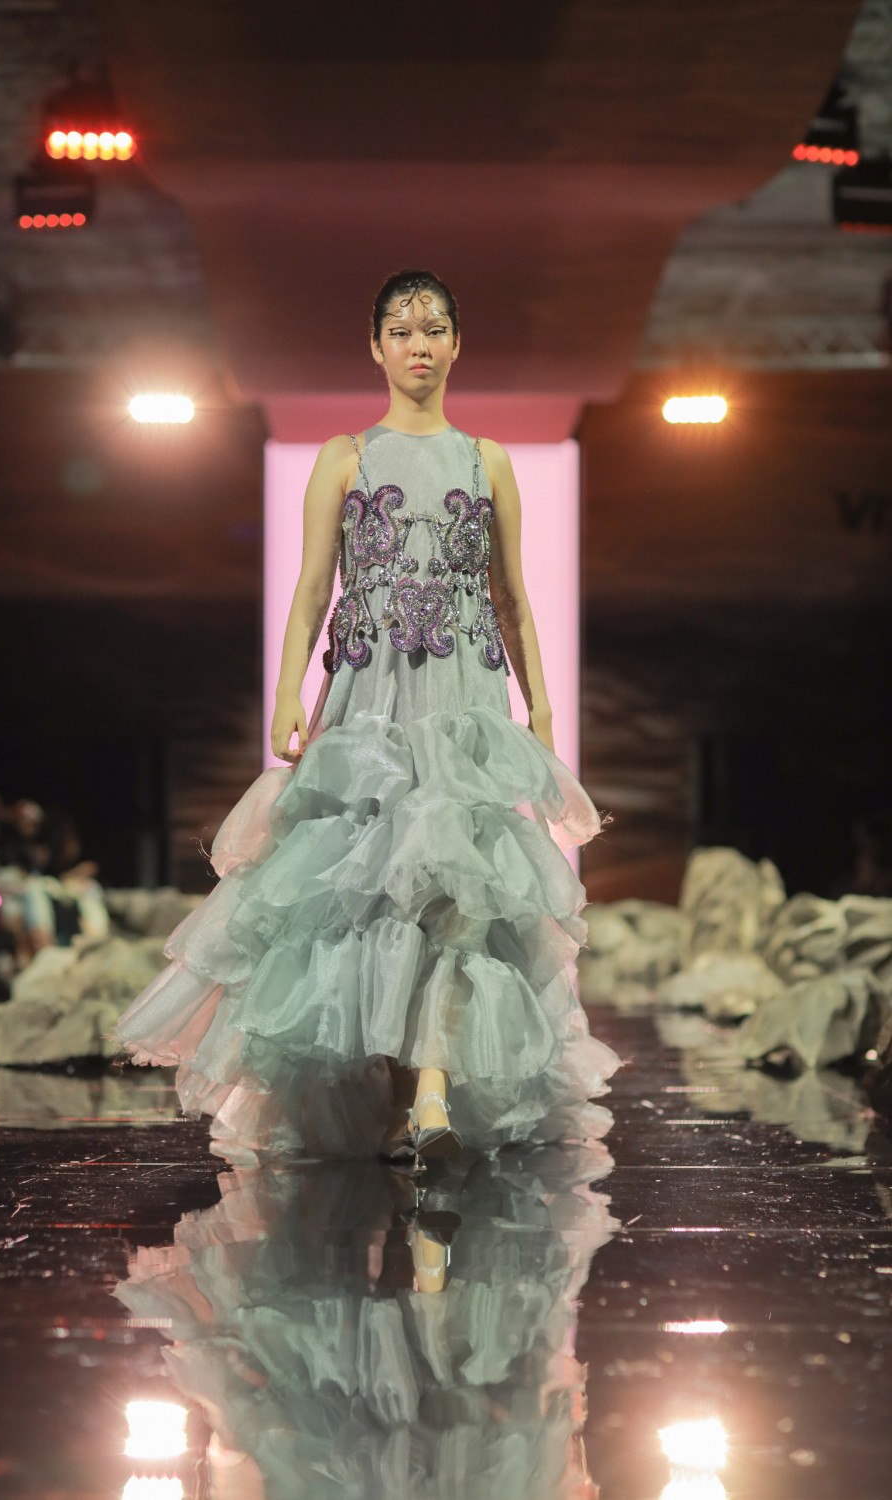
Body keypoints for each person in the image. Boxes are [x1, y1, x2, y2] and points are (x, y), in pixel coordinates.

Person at [114, 268, 619, 1168]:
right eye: (402, 329)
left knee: (458, 893)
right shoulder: (344, 457)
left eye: (435, 328)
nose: (419, 344)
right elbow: (313, 589)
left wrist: (540, 703)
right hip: (368, 702)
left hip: (463, 701)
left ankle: (433, 1094)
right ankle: (395, 1093)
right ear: (376, 347)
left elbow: (511, 597)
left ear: (458, 344)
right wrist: (286, 691)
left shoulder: (489, 460)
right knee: (368, 892)